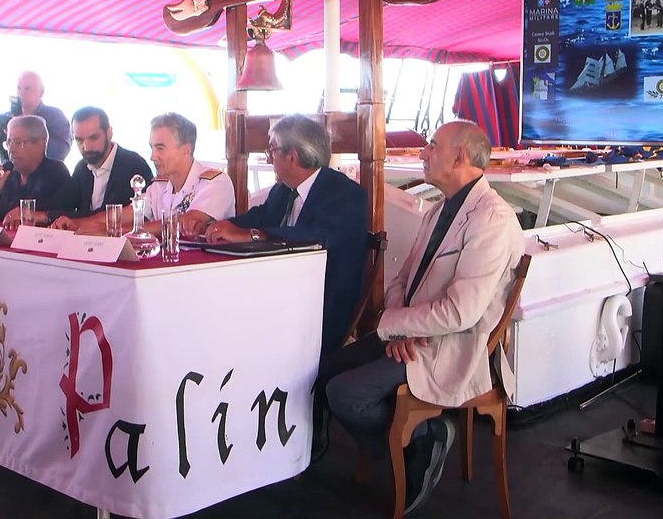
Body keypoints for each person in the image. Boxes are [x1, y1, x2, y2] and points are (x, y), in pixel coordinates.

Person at [324, 121, 523, 515]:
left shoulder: (493, 221)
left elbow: (461, 312)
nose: (423, 152)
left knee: (344, 394)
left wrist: (397, 325)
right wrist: (400, 326)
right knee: (324, 370)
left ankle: (423, 436)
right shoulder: (437, 211)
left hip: (455, 346)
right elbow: (402, 279)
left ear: (460, 156)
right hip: (414, 335)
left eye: (432, 145)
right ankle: (419, 438)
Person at [205, 114, 368, 356]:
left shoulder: (346, 194)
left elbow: (315, 237)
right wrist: (215, 226)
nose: (268, 157)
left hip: (321, 308)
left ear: (292, 156)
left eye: (272, 149)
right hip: (277, 297)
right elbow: (258, 217)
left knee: (234, 328)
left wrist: (254, 235)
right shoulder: (282, 191)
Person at [53, 112, 233, 237]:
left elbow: (182, 223)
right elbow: (126, 214)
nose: (153, 156)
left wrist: (113, 232)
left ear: (186, 150)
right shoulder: (160, 185)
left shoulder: (215, 183)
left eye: (160, 148)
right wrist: (78, 224)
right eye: (152, 148)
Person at [48, 106, 152, 221]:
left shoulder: (133, 165)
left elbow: (112, 217)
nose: (86, 147)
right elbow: (66, 205)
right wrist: (45, 216)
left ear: (109, 133)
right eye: (79, 140)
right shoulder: (82, 168)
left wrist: (75, 222)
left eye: (94, 138)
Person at [0, 115, 73, 230]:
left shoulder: (55, 171)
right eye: (8, 143)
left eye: (18, 142)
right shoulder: (9, 173)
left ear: (41, 143)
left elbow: (24, 209)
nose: (11, 149)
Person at [0, 71, 71, 163]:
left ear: (41, 92)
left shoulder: (55, 117)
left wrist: (20, 133)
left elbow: (60, 152)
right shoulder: (7, 118)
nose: (21, 93)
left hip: (45, 171)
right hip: (10, 171)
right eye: (19, 88)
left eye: (27, 89)